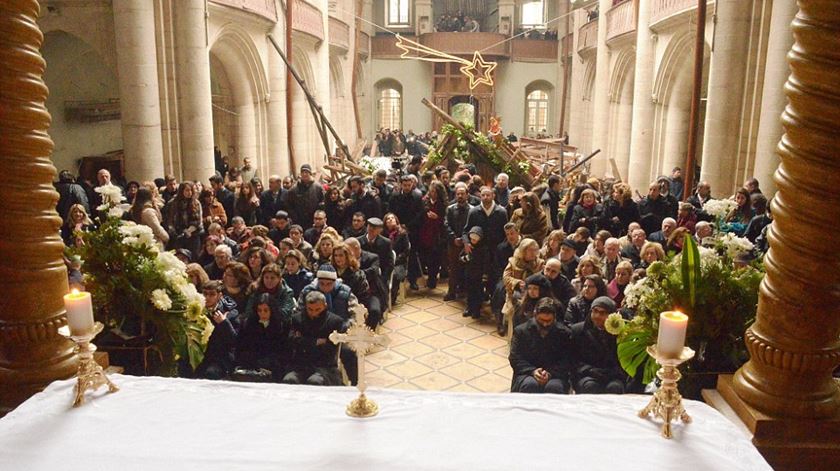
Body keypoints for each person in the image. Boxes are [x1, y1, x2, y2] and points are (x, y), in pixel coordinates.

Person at [509, 298, 573, 394]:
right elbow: (515, 357)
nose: (545, 324)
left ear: (554, 317)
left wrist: (550, 373)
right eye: (541, 320)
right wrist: (533, 371)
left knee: (554, 388)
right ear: (535, 315)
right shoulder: (521, 331)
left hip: (555, 375)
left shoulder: (564, 333)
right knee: (530, 385)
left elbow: (567, 359)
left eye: (549, 321)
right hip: (527, 373)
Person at [282, 291, 346, 386]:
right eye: (310, 309)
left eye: (318, 309)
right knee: (289, 380)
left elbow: (330, 348)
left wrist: (303, 341)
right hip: (300, 365)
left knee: (315, 382)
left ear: (325, 306)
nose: (313, 313)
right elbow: (292, 341)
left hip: (324, 367)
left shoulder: (335, 322)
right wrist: (317, 342)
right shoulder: (297, 319)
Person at [572, 296, 628, 394]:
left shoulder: (621, 333)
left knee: (614, 388)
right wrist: (590, 370)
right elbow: (573, 360)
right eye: (595, 311)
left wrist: (611, 372)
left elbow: (624, 361)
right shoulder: (578, 331)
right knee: (591, 386)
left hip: (613, 376)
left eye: (602, 313)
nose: (597, 316)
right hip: (587, 375)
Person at [236, 292, 288, 379]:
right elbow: (242, 347)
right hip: (252, 365)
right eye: (259, 310)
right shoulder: (247, 324)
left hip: (273, 366)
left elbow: (283, 350)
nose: (262, 314)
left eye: (266, 310)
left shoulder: (282, 324)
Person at [194, 281, 240, 380]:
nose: (207, 298)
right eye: (205, 294)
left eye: (212, 294)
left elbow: (235, 340)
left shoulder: (231, 313)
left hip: (220, 358)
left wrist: (224, 323)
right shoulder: (196, 310)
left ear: (219, 296)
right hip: (200, 355)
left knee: (210, 374)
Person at [501, 238, 545, 336]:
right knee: (519, 306)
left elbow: (543, 280)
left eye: (535, 250)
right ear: (523, 251)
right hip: (517, 292)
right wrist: (517, 282)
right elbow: (506, 277)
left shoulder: (540, 263)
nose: (533, 253)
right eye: (530, 250)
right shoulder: (513, 262)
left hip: (534, 294)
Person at [389, 175, 425, 290]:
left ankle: (413, 280)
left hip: (413, 230)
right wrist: (398, 225)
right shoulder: (394, 196)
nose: (407, 187)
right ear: (401, 185)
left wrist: (408, 226)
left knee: (413, 255)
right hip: (397, 229)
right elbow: (391, 211)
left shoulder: (417, 196)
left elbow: (420, 214)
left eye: (409, 185)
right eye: (405, 185)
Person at [443, 183, 471, 301]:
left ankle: (465, 291)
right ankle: (452, 292)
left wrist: (465, 240)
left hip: (467, 244)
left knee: (467, 268)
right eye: (458, 194)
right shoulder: (450, 209)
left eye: (462, 194)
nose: (460, 196)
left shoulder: (473, 210)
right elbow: (446, 224)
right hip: (453, 243)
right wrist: (454, 238)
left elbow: (472, 227)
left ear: (467, 195)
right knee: (453, 268)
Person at [418, 181, 448, 289]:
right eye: (431, 191)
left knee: (435, 258)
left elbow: (445, 221)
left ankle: (432, 279)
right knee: (426, 257)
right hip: (425, 234)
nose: (432, 193)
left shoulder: (443, 204)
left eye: (435, 192)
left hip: (437, 235)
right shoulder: (424, 202)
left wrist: (437, 218)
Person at [358, 217, 394, 301]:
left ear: (380, 230)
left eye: (374, 228)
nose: (371, 229)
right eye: (369, 227)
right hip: (361, 276)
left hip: (378, 277)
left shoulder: (386, 243)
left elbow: (390, 264)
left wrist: (384, 278)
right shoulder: (358, 242)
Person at [165, 182, 203, 256]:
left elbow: (198, 220)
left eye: (191, 190)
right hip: (178, 235)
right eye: (187, 190)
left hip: (193, 235)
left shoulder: (196, 203)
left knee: (194, 256)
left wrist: (189, 230)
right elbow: (169, 220)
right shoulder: (173, 203)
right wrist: (178, 232)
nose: (190, 193)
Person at [282, 164, 324, 229]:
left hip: (314, 220)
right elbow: (289, 205)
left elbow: (322, 202)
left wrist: (318, 215)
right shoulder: (293, 189)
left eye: (306, 172)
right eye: (303, 172)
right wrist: (294, 216)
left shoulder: (318, 187)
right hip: (299, 221)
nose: (304, 174)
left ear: (310, 174)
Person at [384, 212, 410, 304]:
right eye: (388, 219)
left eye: (392, 218)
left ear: (396, 220)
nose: (390, 220)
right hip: (386, 262)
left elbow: (406, 251)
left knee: (394, 275)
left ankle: (391, 299)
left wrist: (395, 260)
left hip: (399, 263)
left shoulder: (402, 234)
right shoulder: (383, 234)